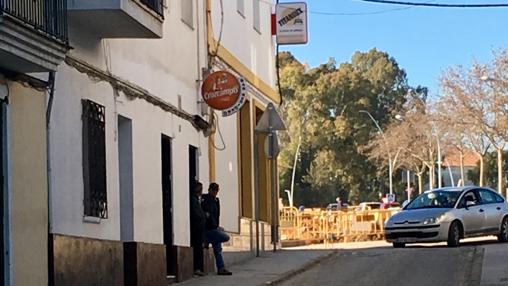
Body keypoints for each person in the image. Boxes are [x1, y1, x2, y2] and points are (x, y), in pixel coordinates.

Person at [201, 182, 232, 275]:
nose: (214, 192)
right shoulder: (205, 199)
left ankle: (221, 268)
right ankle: (206, 239)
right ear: (209, 190)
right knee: (225, 237)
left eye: (216, 190)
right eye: (213, 190)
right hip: (208, 228)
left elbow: (216, 215)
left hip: (214, 228)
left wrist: (217, 226)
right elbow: (208, 215)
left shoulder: (216, 200)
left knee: (217, 247)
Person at [190, 182, 206, 276]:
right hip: (197, 228)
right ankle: (197, 268)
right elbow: (197, 214)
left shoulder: (197, 200)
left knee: (199, 247)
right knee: (198, 248)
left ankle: (198, 268)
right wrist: (204, 215)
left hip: (199, 228)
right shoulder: (193, 200)